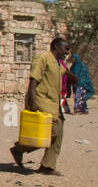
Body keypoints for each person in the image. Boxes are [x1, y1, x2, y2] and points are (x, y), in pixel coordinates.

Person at [11, 36, 71, 175]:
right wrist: (32, 100)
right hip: (42, 100)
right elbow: (34, 79)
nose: (67, 52)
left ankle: (47, 166)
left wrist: (72, 77)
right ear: (56, 47)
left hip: (54, 102)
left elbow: (62, 73)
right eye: (65, 49)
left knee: (59, 132)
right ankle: (19, 149)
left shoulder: (59, 62)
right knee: (53, 131)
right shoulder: (42, 58)